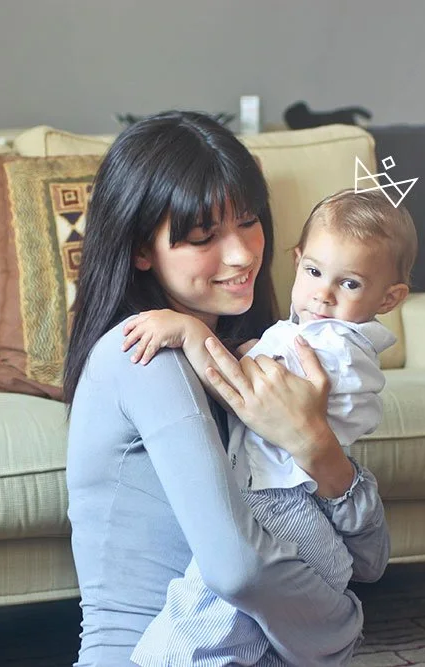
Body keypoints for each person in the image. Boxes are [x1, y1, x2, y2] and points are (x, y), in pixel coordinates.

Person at [64, 110, 390, 667]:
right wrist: (342, 625)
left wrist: (316, 444)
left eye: (248, 221)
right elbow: (236, 569)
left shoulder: (263, 358)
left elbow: (371, 558)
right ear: (143, 250)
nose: (241, 255)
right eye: (203, 237)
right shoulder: (143, 353)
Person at [120, 189, 417, 666]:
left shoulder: (333, 344)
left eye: (351, 284)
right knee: (254, 645)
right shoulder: (310, 335)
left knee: (199, 623)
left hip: (280, 505)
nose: (323, 293)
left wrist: (193, 332)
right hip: (297, 507)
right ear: (297, 261)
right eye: (315, 272)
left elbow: (247, 396)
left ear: (391, 297)